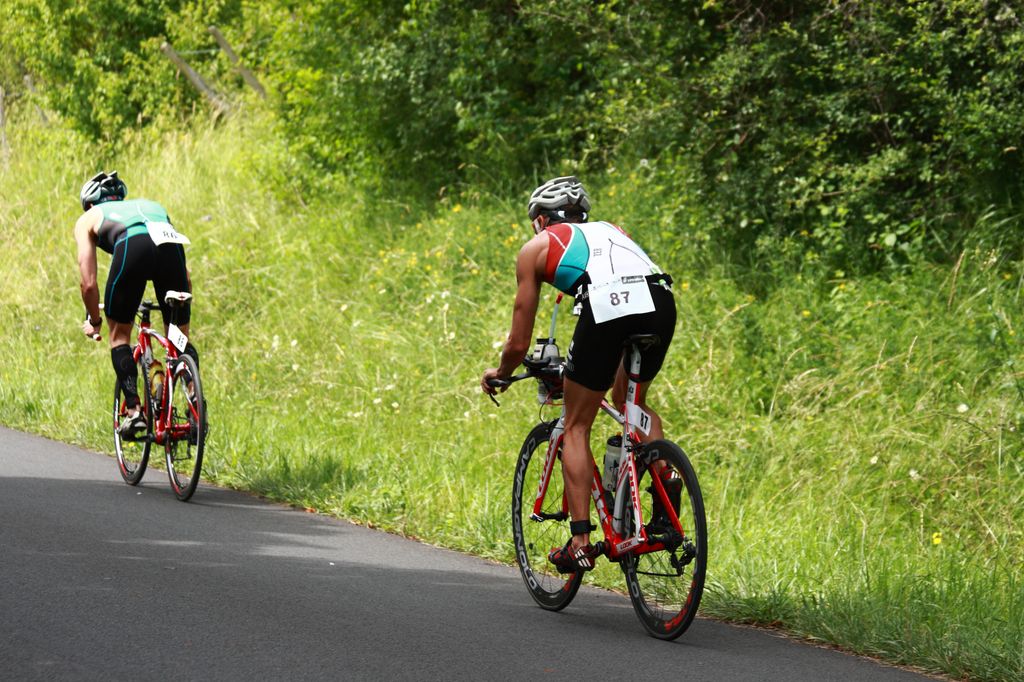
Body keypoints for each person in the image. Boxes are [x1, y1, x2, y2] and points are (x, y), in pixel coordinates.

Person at [481, 176, 677, 572]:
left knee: (575, 424)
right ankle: (665, 484)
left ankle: (580, 540)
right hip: (660, 299)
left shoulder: (536, 248)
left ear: (539, 220)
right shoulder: (613, 232)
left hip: (609, 304)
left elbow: (518, 344)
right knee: (631, 404)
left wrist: (500, 372)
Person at [74, 171, 198, 438]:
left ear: (91, 204)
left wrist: (95, 321)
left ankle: (134, 412)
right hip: (170, 251)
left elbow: (88, 284)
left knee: (119, 338)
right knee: (179, 340)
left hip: (133, 247)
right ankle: (195, 400)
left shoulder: (88, 218)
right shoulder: (152, 207)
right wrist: (180, 303)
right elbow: (186, 276)